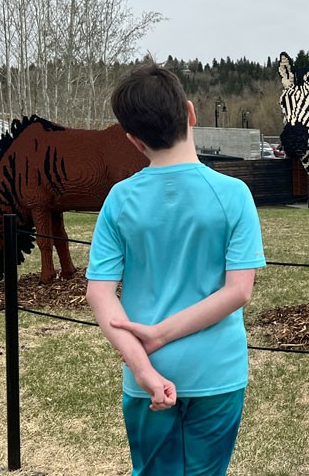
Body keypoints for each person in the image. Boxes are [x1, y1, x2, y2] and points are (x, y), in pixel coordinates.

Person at [85, 64, 266, 476]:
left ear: (133, 139)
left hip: (143, 372)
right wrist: (161, 334)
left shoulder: (119, 200)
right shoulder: (234, 195)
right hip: (217, 372)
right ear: (190, 112)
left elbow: (100, 294)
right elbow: (238, 291)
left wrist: (145, 368)